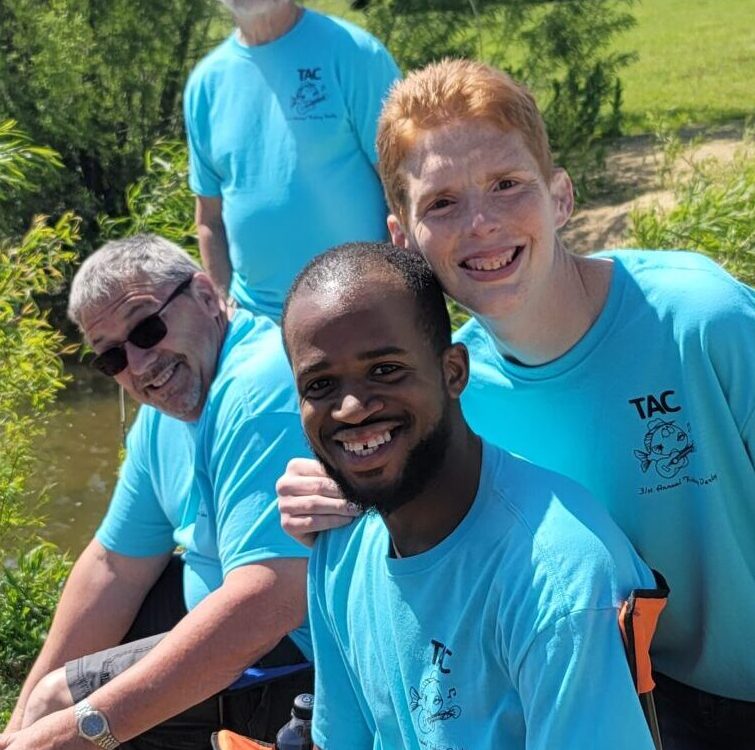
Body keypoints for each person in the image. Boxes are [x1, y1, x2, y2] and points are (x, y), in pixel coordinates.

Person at [276, 60, 755, 749]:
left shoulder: (700, 321)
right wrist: (338, 486)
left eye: (506, 185)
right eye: (441, 202)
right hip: (651, 696)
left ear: (560, 198)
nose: (481, 223)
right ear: (402, 237)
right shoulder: (447, 390)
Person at [281, 241, 657, 749]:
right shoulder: (339, 551)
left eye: (385, 370)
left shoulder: (560, 582)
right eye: (320, 384)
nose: (350, 408)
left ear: (453, 371)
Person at [1, 234, 312, 750]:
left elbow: (269, 605)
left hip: (300, 657)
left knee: (60, 705)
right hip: (235, 614)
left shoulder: (258, 391)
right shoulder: (160, 417)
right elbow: (114, 567)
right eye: (112, 358)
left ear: (206, 296)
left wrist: (80, 725)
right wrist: (17, 728)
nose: (140, 364)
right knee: (42, 709)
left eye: (148, 328)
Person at [185, 0, 400, 318]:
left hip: (359, 310)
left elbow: (407, 190)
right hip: (255, 319)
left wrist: (397, 298)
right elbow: (209, 221)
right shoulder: (205, 84)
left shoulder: (356, 54)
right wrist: (221, 302)